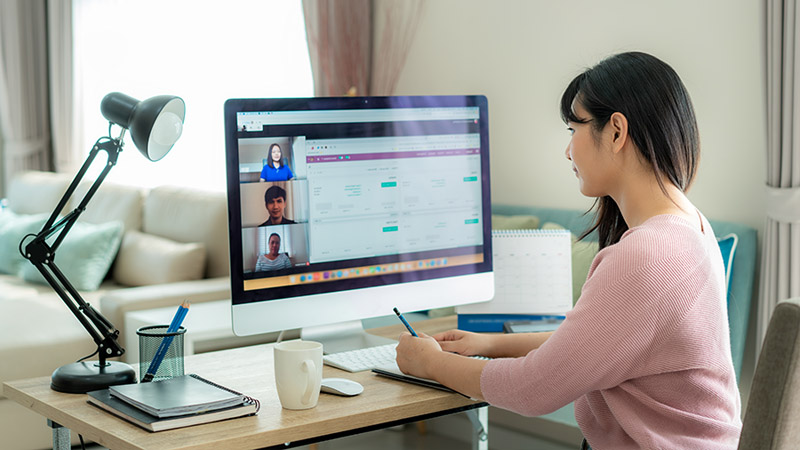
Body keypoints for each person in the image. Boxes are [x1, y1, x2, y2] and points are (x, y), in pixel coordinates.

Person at [395, 52, 742, 449]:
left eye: (573, 128)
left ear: (615, 131)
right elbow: (591, 342)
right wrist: (489, 344)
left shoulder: (647, 255)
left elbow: (533, 389)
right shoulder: (689, 224)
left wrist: (430, 363)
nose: (567, 151)